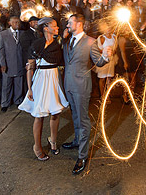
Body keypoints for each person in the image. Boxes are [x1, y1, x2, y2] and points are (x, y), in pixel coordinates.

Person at [61, 13, 111, 175]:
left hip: (82, 86)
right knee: (74, 114)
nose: (68, 25)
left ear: (79, 24)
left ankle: (82, 155)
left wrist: (105, 56)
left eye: (70, 23)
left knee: (83, 119)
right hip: (68, 84)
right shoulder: (68, 40)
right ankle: (77, 141)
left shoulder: (91, 42)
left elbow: (99, 62)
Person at [18, 18, 68, 161]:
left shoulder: (59, 43)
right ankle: (37, 146)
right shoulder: (37, 44)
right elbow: (30, 67)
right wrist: (29, 89)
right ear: (46, 28)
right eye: (54, 25)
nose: (57, 27)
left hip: (54, 78)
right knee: (39, 115)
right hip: (40, 80)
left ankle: (53, 140)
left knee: (55, 112)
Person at [0, 16, 27, 112]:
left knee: (19, 83)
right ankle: (5, 103)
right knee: (6, 84)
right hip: (8, 63)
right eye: (14, 22)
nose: (16, 24)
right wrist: (3, 64)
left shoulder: (23, 34)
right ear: (9, 23)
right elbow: (0, 50)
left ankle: (18, 101)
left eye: (18, 22)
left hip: (19, 63)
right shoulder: (3, 34)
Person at [95, 20, 118, 104]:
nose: (109, 29)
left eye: (110, 27)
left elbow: (115, 47)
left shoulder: (114, 37)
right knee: (102, 78)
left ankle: (108, 95)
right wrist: (106, 52)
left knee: (109, 78)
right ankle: (102, 96)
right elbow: (99, 49)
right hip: (103, 60)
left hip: (111, 60)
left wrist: (113, 52)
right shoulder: (101, 38)